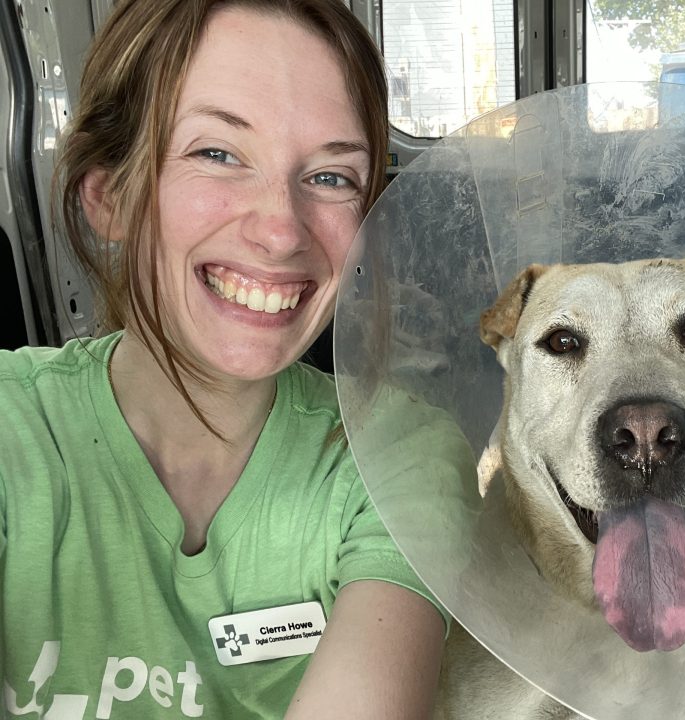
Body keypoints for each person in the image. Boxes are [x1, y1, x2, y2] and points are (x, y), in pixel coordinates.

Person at [0, 1, 447, 717]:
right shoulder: (12, 427)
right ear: (108, 194)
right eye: (218, 154)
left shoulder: (394, 454)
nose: (280, 231)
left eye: (332, 176)